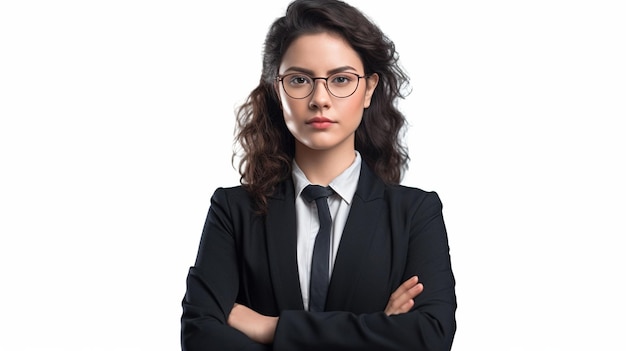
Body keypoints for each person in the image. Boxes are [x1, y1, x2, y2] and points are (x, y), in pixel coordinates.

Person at [181, 0, 456, 350]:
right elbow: (199, 337)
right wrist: (377, 330)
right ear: (277, 89)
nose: (320, 99)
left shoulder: (415, 213)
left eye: (341, 79)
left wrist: (273, 329)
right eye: (299, 80)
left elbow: (430, 336)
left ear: (369, 88)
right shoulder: (233, 211)